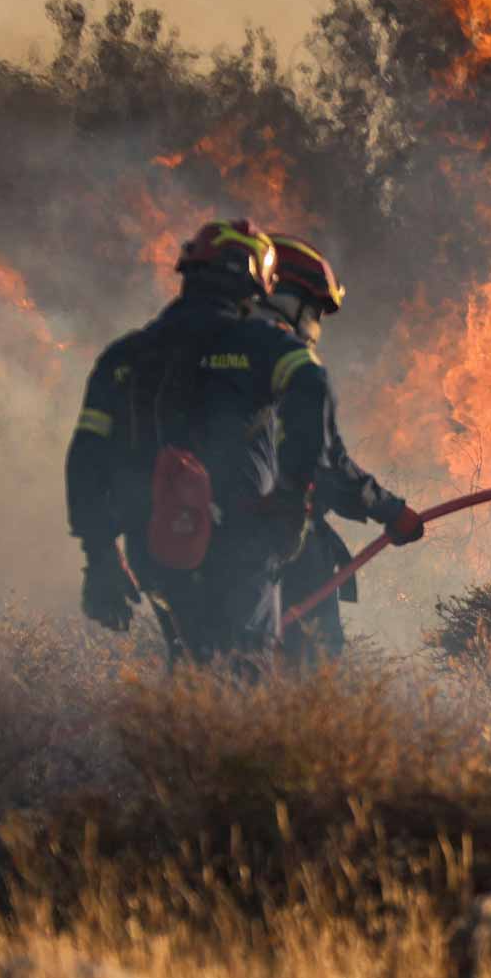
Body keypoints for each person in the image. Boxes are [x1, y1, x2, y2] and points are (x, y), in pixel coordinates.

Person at [65, 218, 334, 661]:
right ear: (253, 282)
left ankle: (183, 728)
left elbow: (87, 459)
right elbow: (311, 392)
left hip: (155, 545)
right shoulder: (262, 345)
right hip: (241, 541)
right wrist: (291, 497)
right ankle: (218, 729)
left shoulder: (125, 355)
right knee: (242, 667)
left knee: (189, 662)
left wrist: (100, 557)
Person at [255, 233, 424, 663]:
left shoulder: (209, 356)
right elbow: (325, 466)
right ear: (288, 300)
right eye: (313, 310)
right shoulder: (290, 364)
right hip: (282, 539)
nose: (315, 324)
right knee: (309, 659)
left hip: (201, 539)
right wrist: (390, 511)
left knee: (217, 666)